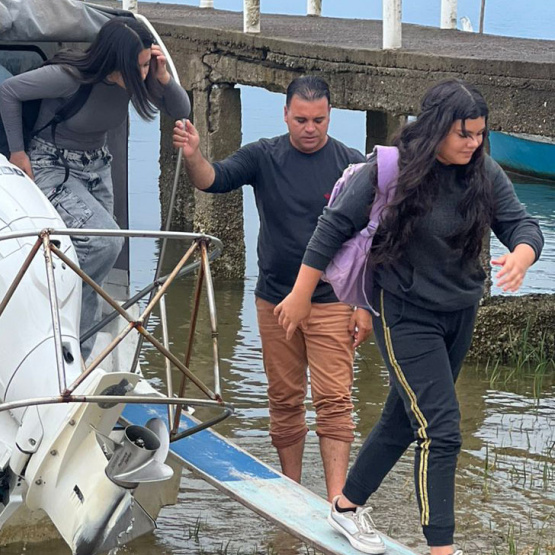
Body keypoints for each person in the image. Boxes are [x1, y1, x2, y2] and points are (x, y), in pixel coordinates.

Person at [275, 79, 544, 555]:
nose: (473, 143)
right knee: (441, 430)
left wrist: (522, 254)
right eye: (464, 134)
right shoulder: (390, 170)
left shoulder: (485, 173)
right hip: (403, 311)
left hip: (459, 311)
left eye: (480, 134)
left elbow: (521, 224)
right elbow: (333, 226)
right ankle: (440, 547)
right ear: (436, 128)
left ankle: (345, 507)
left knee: (403, 418)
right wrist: (300, 294)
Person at [172, 75, 370, 502]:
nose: (310, 128)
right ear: (286, 115)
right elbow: (213, 179)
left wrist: (364, 304)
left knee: (335, 400)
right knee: (284, 399)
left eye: (319, 119)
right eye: (301, 119)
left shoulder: (351, 165)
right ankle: (293, 491)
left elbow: (369, 238)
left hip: (333, 300)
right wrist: (193, 155)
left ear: (330, 115)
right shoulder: (265, 155)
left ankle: (338, 499)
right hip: (275, 300)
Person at [0, 16, 190, 357]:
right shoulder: (69, 78)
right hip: (52, 166)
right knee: (103, 244)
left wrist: (162, 76)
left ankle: (74, 349)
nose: (145, 72)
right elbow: (9, 90)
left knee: (101, 256)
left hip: (97, 167)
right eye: (142, 65)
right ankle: (64, 342)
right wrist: (17, 152)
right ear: (118, 62)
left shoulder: (136, 80)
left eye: (148, 64)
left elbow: (181, 111)